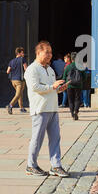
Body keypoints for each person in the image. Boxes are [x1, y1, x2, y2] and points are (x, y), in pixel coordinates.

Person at [23, 41, 69, 177]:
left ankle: (56, 165)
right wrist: (53, 87)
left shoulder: (49, 69)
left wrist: (59, 89)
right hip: (40, 109)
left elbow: (51, 88)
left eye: (51, 52)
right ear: (38, 53)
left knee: (55, 138)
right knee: (37, 139)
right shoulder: (32, 69)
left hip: (53, 108)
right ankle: (31, 165)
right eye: (47, 52)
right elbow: (35, 87)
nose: (50, 55)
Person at [6, 47, 28, 114]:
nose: (23, 54)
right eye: (22, 52)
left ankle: (21, 108)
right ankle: (10, 105)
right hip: (20, 80)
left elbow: (7, 71)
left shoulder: (11, 61)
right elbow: (26, 69)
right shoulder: (22, 59)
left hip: (13, 81)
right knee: (18, 94)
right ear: (19, 53)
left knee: (20, 94)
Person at [63, 52, 84, 121]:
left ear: (71, 59)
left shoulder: (68, 66)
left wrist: (65, 83)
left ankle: (72, 113)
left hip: (70, 85)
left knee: (70, 100)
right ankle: (76, 111)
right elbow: (85, 76)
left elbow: (64, 77)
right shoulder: (80, 66)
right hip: (78, 85)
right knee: (77, 99)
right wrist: (81, 81)